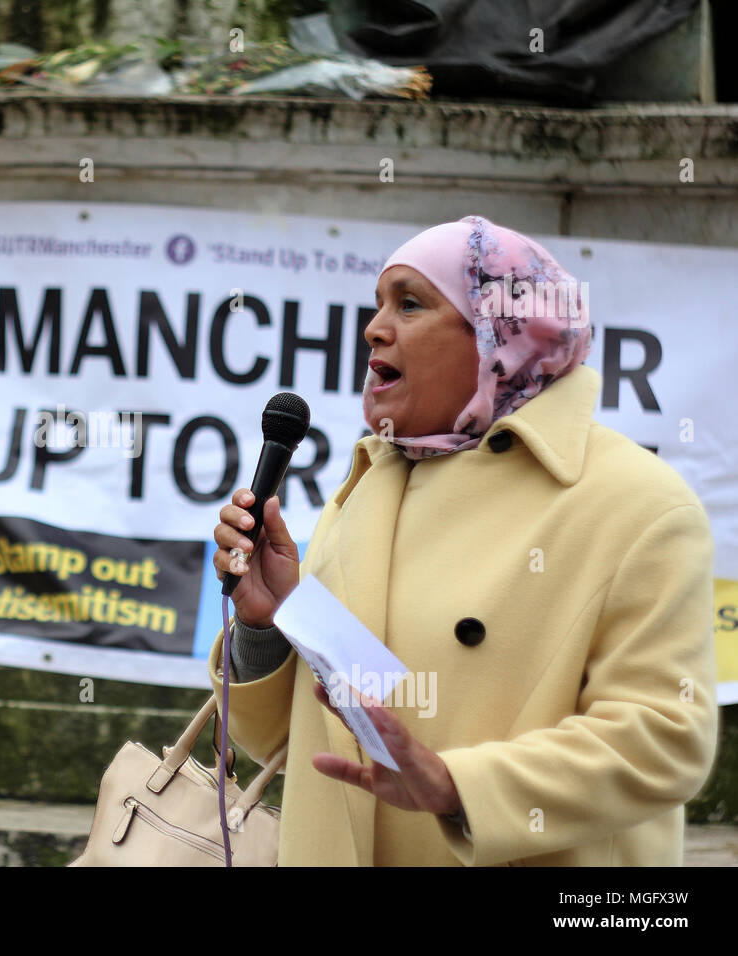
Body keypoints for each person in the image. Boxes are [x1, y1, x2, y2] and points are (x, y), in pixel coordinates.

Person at [210, 215, 717, 866]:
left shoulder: (637, 503)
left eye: (411, 303)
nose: (374, 327)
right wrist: (271, 620)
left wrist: (460, 791)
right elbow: (317, 734)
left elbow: (664, 739)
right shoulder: (368, 487)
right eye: (378, 305)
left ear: (497, 333)